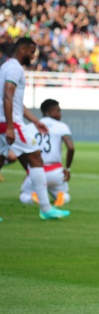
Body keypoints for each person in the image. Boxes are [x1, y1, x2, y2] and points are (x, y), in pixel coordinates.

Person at [0, 37, 70, 220]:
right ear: (22, 49)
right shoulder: (15, 69)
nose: (33, 56)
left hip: (4, 121)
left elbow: (14, 101)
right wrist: (9, 126)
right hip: (10, 123)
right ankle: (46, 208)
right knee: (36, 158)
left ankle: (46, 208)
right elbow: (8, 96)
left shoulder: (6, 67)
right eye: (31, 52)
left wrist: (34, 120)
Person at [19, 99, 74, 206]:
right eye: (58, 111)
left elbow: (20, 151)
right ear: (49, 112)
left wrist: (27, 168)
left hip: (36, 170)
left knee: (24, 194)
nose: (60, 114)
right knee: (64, 194)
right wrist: (67, 169)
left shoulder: (29, 128)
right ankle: (61, 197)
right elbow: (71, 148)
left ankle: (33, 198)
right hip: (56, 172)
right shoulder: (61, 126)